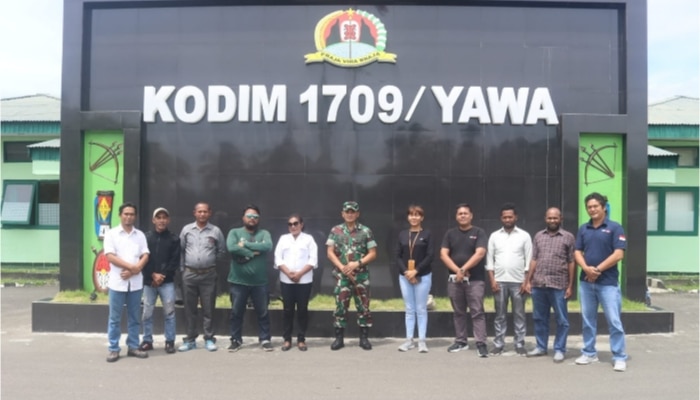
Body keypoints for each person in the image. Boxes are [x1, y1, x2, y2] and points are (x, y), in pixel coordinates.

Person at [574, 192, 628, 372]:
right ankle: (589, 352)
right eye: (589, 207)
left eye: (595, 206)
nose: (592, 209)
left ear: (603, 207)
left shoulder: (615, 228)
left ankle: (619, 356)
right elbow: (577, 252)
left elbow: (618, 254)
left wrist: (597, 270)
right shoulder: (584, 228)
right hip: (586, 282)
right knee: (588, 320)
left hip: (608, 283)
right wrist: (586, 269)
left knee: (614, 321)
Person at [523, 207, 575, 363]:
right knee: (539, 318)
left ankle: (559, 349)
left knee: (562, 320)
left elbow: (571, 262)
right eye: (550, 218)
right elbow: (534, 259)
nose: (552, 220)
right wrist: (528, 280)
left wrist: (570, 285)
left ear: (561, 219)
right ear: (545, 219)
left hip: (559, 285)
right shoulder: (539, 236)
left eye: (555, 218)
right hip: (539, 284)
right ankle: (541, 347)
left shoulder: (568, 237)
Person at [326, 201, 377, 350]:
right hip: (342, 277)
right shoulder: (335, 230)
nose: (350, 214)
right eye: (347, 212)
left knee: (363, 307)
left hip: (361, 277)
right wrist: (342, 267)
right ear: (342, 214)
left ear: (357, 214)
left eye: (352, 212)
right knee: (340, 307)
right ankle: (339, 339)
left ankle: (364, 339)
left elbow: (373, 253)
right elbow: (329, 252)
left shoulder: (366, 231)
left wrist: (357, 263)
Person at [103, 202, 150, 363]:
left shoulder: (140, 235)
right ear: (120, 215)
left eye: (131, 214)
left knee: (135, 317)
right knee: (114, 318)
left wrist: (136, 269)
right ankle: (113, 349)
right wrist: (132, 268)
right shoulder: (112, 234)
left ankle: (133, 346)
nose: (129, 217)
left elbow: (145, 254)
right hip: (118, 283)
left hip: (135, 284)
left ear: (135, 216)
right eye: (126, 214)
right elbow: (110, 256)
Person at [440, 203, 488, 357]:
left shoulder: (479, 232)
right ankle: (461, 341)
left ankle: (481, 343)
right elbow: (443, 254)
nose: (463, 216)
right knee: (458, 312)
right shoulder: (450, 234)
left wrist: (463, 269)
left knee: (477, 312)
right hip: (455, 280)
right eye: (460, 213)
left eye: (465, 213)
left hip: (475, 280)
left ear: (471, 215)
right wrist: (458, 271)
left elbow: (480, 253)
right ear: (456, 216)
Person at [178, 202, 226, 352]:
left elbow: (221, 251)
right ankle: (190, 339)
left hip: (208, 275)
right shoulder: (186, 230)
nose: (202, 214)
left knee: (208, 309)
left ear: (209, 213)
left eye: (205, 211)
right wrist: (183, 270)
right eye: (199, 211)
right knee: (189, 309)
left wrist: (210, 263)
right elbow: (181, 250)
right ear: (194, 213)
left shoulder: (215, 231)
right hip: (189, 274)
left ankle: (209, 338)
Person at [485, 203, 532, 356]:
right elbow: (490, 260)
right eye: (505, 217)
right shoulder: (494, 236)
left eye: (510, 217)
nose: (507, 219)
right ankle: (499, 344)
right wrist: (492, 280)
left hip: (519, 282)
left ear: (515, 217)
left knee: (519, 315)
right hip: (499, 281)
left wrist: (526, 281)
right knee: (500, 315)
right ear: (501, 218)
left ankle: (519, 344)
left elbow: (529, 260)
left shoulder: (524, 236)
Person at [226, 204, 274, 352]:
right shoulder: (234, 232)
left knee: (263, 313)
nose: (252, 219)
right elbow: (232, 247)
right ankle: (235, 340)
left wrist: (245, 244)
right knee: (236, 313)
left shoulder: (264, 233)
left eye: (255, 217)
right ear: (243, 218)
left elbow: (268, 246)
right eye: (249, 216)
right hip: (238, 282)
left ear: (258, 219)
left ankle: (265, 339)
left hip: (260, 283)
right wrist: (252, 252)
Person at [273, 214, 318, 351]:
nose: (293, 226)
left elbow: (313, 260)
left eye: (295, 223)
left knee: (302, 310)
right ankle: (287, 339)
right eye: (290, 224)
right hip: (286, 280)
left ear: (301, 224)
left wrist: (299, 274)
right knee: (288, 310)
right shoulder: (283, 239)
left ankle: (301, 339)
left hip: (304, 280)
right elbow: (278, 258)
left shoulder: (309, 239)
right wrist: (288, 273)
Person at [139, 207, 181, 354]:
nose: (161, 220)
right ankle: (147, 341)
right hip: (149, 282)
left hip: (167, 282)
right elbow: (142, 258)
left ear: (168, 220)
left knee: (169, 312)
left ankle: (170, 341)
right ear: (153, 220)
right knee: (147, 312)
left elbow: (174, 261)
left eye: (164, 217)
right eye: (159, 217)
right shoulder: (146, 238)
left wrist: (162, 275)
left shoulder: (174, 239)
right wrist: (152, 275)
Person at [395, 205, 434, 353]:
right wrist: (407, 272)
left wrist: (416, 271)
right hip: (404, 276)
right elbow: (397, 256)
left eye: (417, 215)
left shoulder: (427, 234)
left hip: (423, 275)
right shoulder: (402, 234)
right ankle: (409, 340)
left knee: (421, 308)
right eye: (411, 215)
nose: (414, 217)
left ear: (422, 218)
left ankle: (422, 341)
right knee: (410, 309)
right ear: (408, 217)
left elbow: (430, 256)